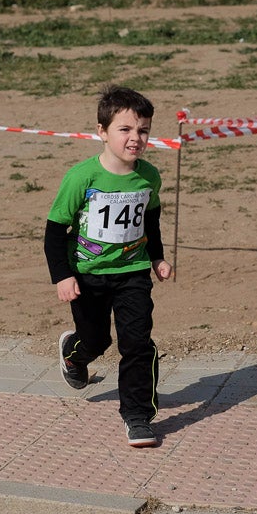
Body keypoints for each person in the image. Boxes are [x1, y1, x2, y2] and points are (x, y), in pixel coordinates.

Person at [44, 85, 173, 448]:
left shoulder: (148, 177)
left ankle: (138, 416)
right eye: (125, 129)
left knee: (137, 343)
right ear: (102, 132)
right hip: (86, 275)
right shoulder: (81, 178)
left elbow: (150, 220)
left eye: (143, 130)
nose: (136, 138)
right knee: (97, 339)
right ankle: (74, 353)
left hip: (133, 272)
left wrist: (158, 257)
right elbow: (55, 230)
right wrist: (63, 276)